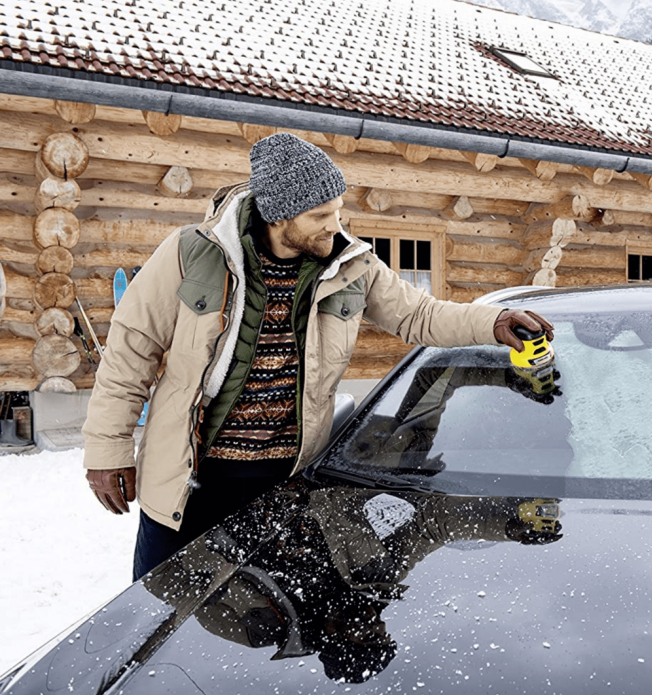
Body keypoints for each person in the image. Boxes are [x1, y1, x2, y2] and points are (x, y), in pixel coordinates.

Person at [82, 132, 553, 580]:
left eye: (338, 211)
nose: (335, 224)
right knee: (163, 613)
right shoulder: (193, 254)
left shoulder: (350, 264)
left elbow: (419, 315)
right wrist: (108, 450)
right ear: (278, 216)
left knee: (271, 624)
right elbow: (130, 353)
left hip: (283, 480)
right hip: (192, 476)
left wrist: (490, 322)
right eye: (320, 215)